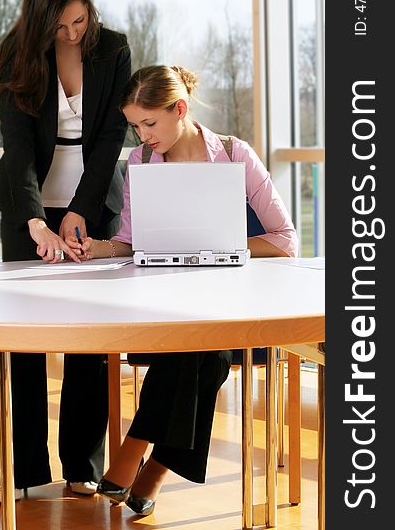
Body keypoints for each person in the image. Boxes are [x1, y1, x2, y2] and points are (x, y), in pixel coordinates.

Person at [80, 65, 298, 515]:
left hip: (225, 300)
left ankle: (137, 451)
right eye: (135, 125)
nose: (142, 136)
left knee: (200, 348)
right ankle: (153, 469)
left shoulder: (236, 155)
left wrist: (219, 245)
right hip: (162, 299)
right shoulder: (140, 162)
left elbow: (284, 239)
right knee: (205, 355)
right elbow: (131, 239)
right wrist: (95, 248)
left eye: (150, 123)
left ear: (179, 109)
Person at [0, 0, 131, 502]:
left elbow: (113, 136)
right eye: (61, 27)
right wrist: (36, 222)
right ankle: (24, 471)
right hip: (28, 208)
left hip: (91, 204)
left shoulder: (112, 48)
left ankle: (81, 465)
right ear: (39, 23)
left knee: (87, 339)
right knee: (23, 340)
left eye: (79, 20)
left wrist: (80, 212)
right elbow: (18, 150)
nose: (72, 34)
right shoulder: (16, 55)